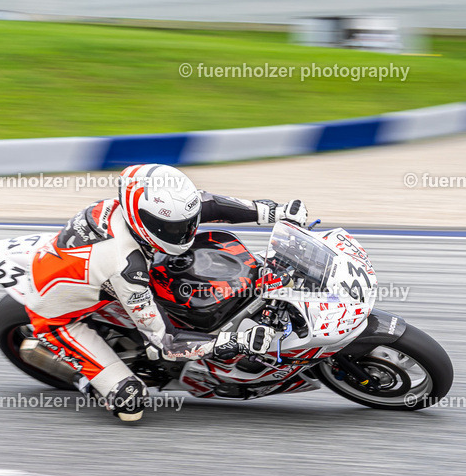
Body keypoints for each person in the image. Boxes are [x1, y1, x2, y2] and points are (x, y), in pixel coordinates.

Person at [21, 163, 308, 421]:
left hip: (91, 270)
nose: (186, 233)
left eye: (187, 222)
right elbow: (166, 341)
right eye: (173, 229)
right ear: (142, 220)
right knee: (131, 403)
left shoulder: (143, 209)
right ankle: (86, 379)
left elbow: (211, 205)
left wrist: (274, 212)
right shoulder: (125, 265)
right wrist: (233, 341)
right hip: (60, 316)